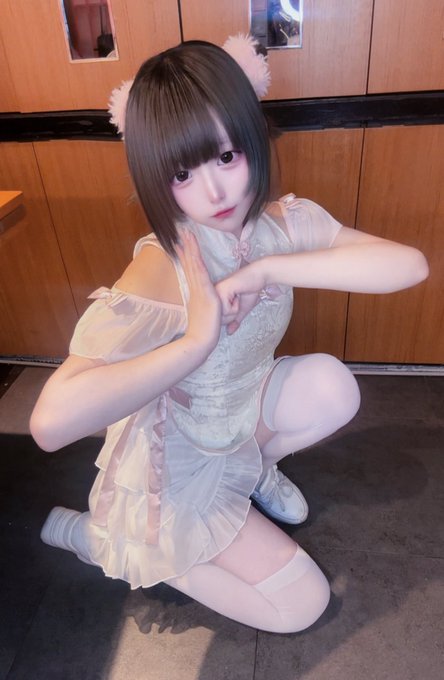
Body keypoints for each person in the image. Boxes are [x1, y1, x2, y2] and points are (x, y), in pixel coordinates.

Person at [30, 36, 428, 634]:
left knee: (332, 385)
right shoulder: (165, 264)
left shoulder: (281, 223)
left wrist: (266, 270)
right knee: (301, 606)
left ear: (251, 137)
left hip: (242, 414)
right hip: (181, 462)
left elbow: (408, 266)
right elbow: (50, 423)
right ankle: (109, 540)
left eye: (224, 156)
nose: (213, 194)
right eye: (181, 174)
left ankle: (254, 469)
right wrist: (196, 340)